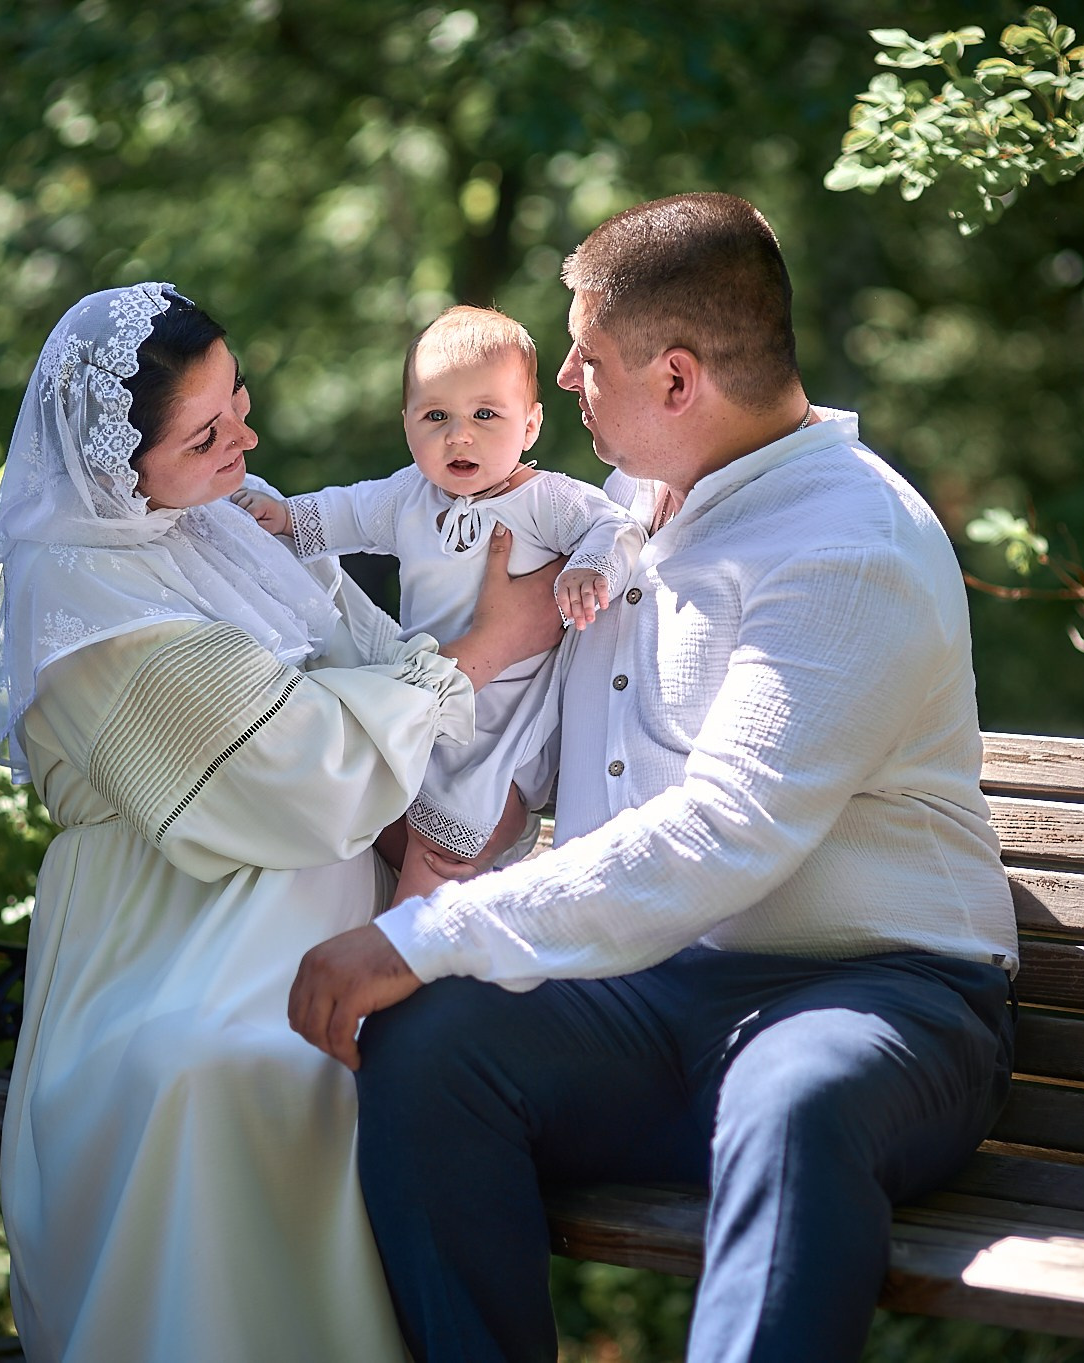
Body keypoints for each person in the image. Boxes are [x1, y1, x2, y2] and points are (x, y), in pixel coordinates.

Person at [288, 193, 1021, 1362]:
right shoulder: (615, 512)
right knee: (432, 1050)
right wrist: (456, 818)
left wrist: (430, 931)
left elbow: (723, 829)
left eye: (585, 352)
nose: (563, 370)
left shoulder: (846, 544)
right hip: (657, 992)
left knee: (791, 1099)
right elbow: (535, 714)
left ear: (676, 380)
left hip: (880, 999)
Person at [0, 282, 563, 1362]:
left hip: (333, 908)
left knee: (431, 1059)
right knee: (230, 1072)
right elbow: (290, 767)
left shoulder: (230, 518)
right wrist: (487, 646)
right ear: (118, 463)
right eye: (205, 432)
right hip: (167, 938)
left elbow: (377, 662)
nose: (244, 436)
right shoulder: (75, 589)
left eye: (237, 399)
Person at [232, 305, 643, 905]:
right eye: (436, 416)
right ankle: (419, 941)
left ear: (529, 426)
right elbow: (347, 511)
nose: (460, 435)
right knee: (384, 817)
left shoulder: (544, 501)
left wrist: (589, 567)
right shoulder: (409, 496)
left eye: (485, 415)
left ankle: (395, 954)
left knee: (443, 855)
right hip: (429, 707)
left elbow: (615, 528)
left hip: (502, 730)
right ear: (407, 426)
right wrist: (288, 517)